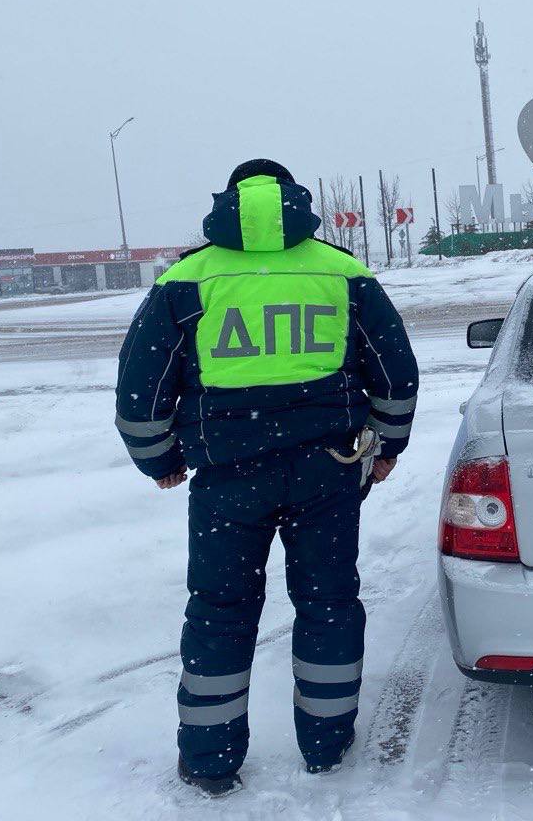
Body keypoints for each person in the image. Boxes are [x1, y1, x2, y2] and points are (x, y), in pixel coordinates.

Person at [114, 159, 418, 795]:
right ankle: (327, 746)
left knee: (220, 612)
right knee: (329, 605)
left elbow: (140, 391)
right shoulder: (344, 273)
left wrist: (161, 462)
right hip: (328, 474)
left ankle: (210, 759)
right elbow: (395, 372)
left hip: (228, 480)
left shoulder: (186, 279)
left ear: (229, 201)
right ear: (296, 201)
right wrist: (387, 446)